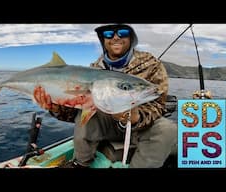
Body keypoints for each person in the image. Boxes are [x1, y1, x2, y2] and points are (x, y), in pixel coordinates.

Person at [33, 24, 177, 168]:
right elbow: (73, 113)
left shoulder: (151, 64)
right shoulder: (94, 69)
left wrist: (136, 119)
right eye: (108, 33)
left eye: (122, 32)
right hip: (106, 126)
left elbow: (158, 104)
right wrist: (55, 108)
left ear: (131, 38)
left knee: (167, 129)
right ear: (103, 40)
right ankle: (81, 163)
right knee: (88, 111)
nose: (115, 37)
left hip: (139, 129)